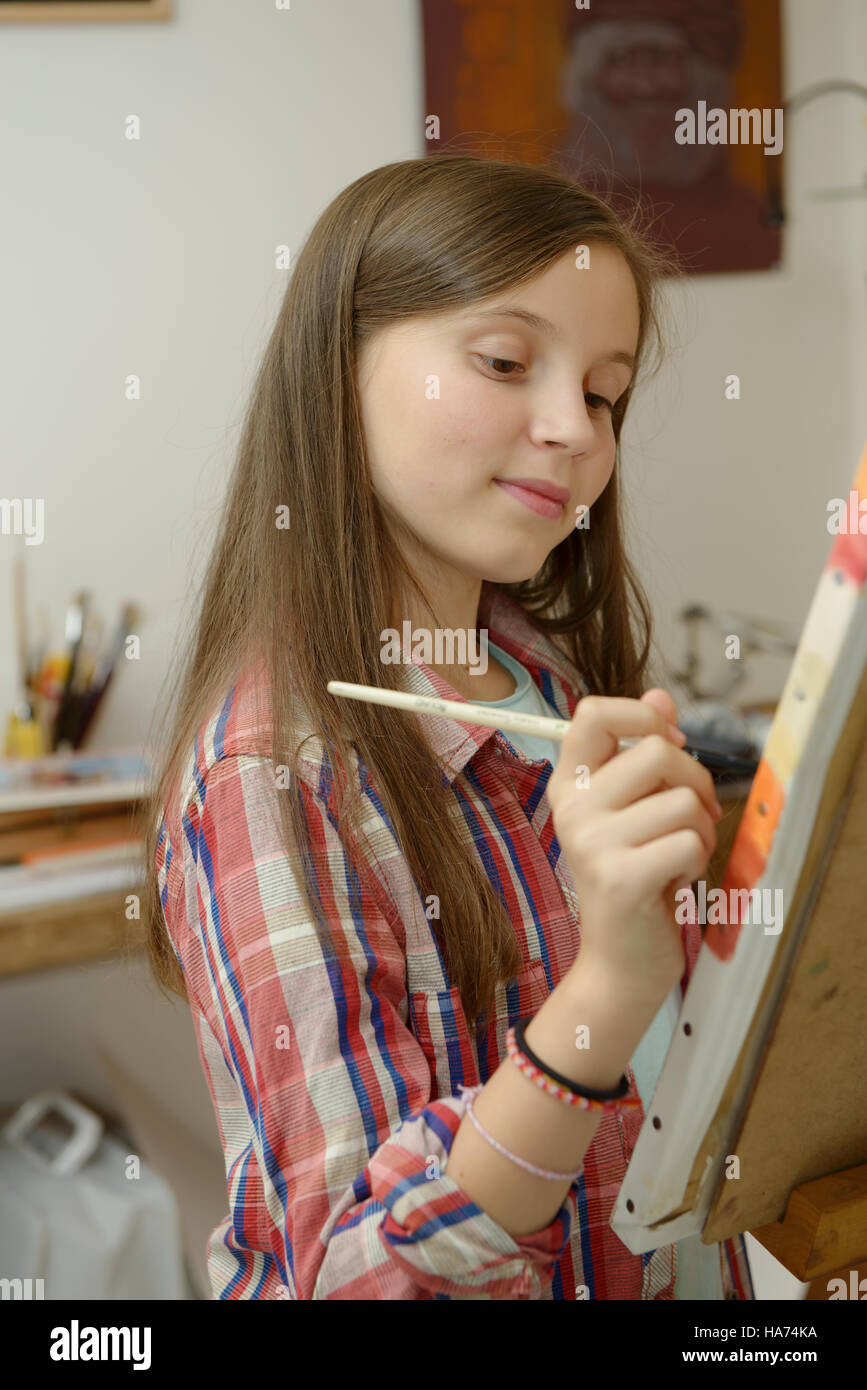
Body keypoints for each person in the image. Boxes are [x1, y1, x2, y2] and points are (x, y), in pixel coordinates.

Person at [141, 154, 754, 1301]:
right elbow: (352, 1274)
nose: (574, 426)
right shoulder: (270, 771)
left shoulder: (553, 684)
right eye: (507, 361)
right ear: (338, 371)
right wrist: (606, 990)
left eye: (606, 391)